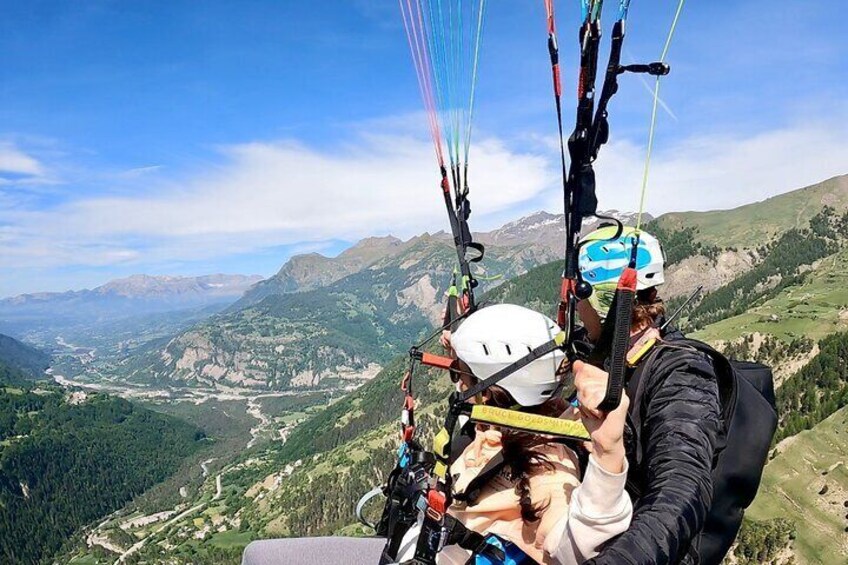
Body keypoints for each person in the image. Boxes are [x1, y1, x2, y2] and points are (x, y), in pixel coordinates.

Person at [242, 304, 633, 565]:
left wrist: (608, 456)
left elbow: (578, 546)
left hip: (429, 555)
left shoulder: (547, 464)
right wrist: (463, 350)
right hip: (417, 547)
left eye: (460, 375)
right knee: (258, 555)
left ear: (493, 387)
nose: (458, 386)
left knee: (259, 558)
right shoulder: (506, 422)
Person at [571, 226, 723, 565]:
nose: (577, 311)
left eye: (580, 300)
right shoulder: (606, 350)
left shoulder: (682, 374)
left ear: (606, 301)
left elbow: (683, 487)